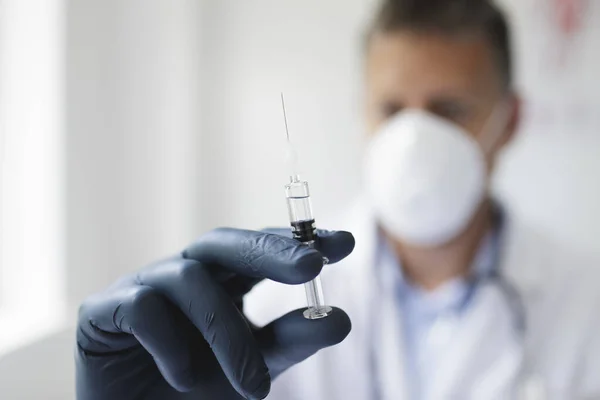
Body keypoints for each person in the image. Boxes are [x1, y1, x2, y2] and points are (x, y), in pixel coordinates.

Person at [76, 0, 600, 399]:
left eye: (449, 109)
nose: (415, 137)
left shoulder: (585, 303)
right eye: (392, 109)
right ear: (362, 116)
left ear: (510, 121)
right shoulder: (271, 306)